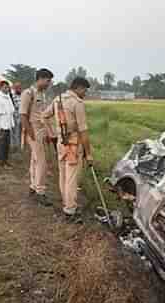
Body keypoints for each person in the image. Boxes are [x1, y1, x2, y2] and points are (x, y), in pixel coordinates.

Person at [47, 77, 93, 223]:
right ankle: (70, 211)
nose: (85, 93)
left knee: (63, 175)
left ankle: (67, 203)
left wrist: (52, 133)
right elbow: (83, 131)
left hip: (61, 143)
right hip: (73, 145)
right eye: (84, 90)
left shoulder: (58, 99)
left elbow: (45, 116)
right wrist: (89, 153)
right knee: (72, 179)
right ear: (78, 88)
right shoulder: (77, 103)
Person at [21, 68, 54, 206]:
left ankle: (33, 187)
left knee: (35, 161)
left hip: (41, 130)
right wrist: (31, 134)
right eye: (48, 80)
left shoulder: (42, 94)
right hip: (33, 130)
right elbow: (23, 116)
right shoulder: (28, 93)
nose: (49, 83)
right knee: (42, 162)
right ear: (40, 79)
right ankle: (40, 191)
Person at [0, 80, 15, 168]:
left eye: (8, 87)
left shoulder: (8, 97)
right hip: (1, 126)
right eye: (5, 87)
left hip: (8, 125)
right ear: (1, 87)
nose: (7, 89)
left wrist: (11, 124)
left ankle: (5, 161)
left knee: (6, 145)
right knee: (1, 145)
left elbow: (11, 111)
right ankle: (1, 162)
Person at [10, 82, 22, 149]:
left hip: (22, 117)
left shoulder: (22, 95)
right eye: (17, 88)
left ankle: (20, 145)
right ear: (15, 88)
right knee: (15, 132)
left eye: (20, 88)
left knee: (20, 133)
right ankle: (16, 147)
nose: (19, 89)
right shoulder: (12, 96)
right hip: (15, 117)